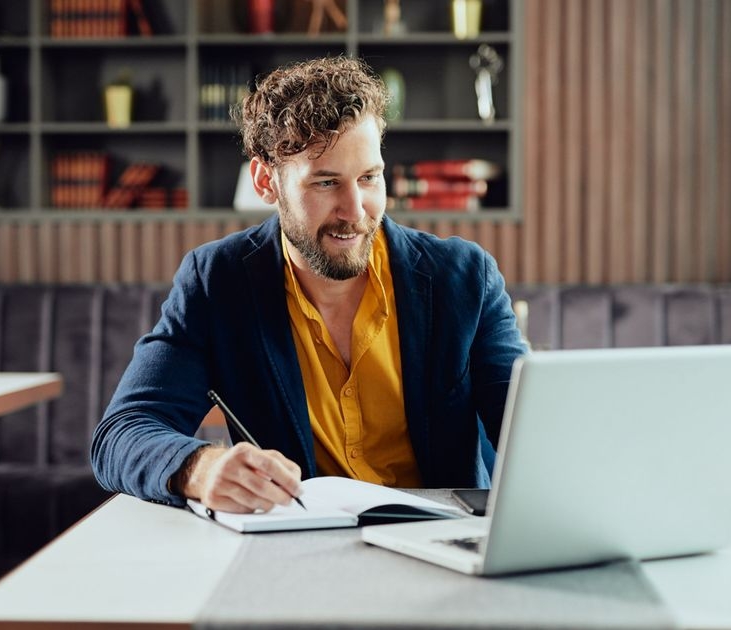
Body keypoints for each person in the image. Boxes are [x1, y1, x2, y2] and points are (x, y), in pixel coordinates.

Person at [91, 56, 526, 513]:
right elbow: (122, 432)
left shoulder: (463, 277)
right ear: (266, 181)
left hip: (442, 546)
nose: (355, 210)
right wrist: (200, 468)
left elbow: (531, 434)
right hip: (294, 547)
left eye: (368, 178)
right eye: (325, 183)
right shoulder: (217, 282)